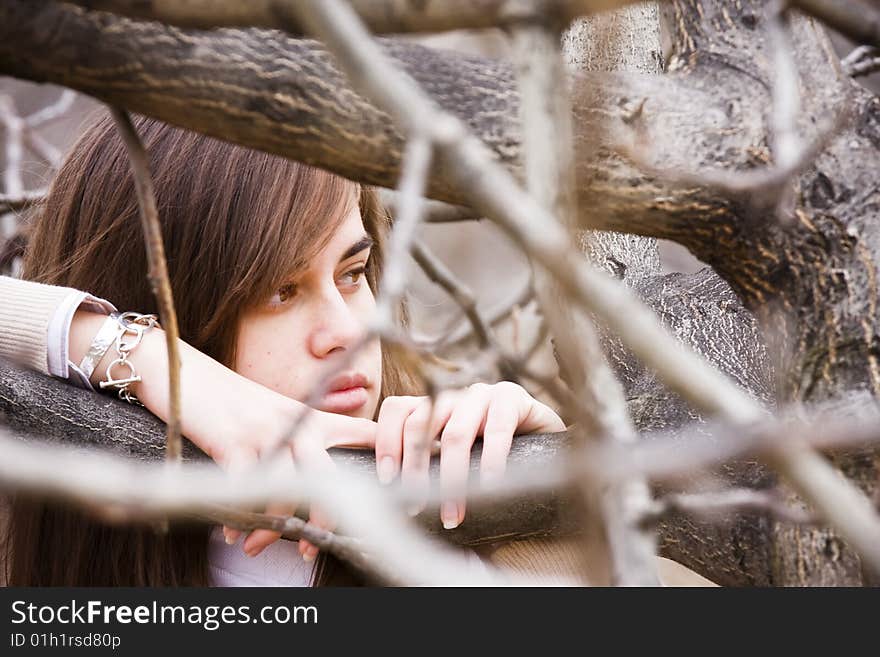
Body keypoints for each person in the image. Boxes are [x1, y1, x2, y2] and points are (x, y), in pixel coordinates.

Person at [0, 112, 567, 586]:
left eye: (352, 273)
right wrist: (144, 355)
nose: (345, 333)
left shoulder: (447, 518)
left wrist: (554, 521)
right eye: (280, 291)